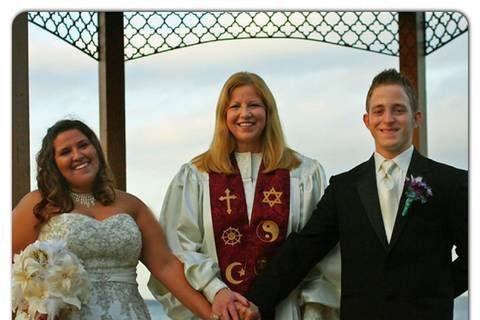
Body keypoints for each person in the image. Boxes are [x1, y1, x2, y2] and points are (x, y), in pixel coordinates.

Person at [244, 69, 468, 320]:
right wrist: (255, 301)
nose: (388, 119)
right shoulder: (344, 188)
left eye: (399, 110)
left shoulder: (451, 183)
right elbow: (304, 249)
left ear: (416, 118)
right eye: (379, 111)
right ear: (367, 120)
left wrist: (436, 292)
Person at [148, 71, 341, 320]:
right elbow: (178, 246)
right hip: (218, 312)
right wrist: (215, 290)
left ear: (268, 111)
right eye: (235, 106)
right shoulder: (196, 175)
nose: (245, 114)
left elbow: (314, 253)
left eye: (254, 105)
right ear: (223, 115)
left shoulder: (303, 173)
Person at [12, 119, 217, 320]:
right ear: (53, 163)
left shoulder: (132, 205)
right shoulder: (38, 203)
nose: (78, 155)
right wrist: (29, 307)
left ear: (96, 149)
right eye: (66, 152)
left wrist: (212, 315)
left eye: (83, 145)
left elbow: (166, 267)